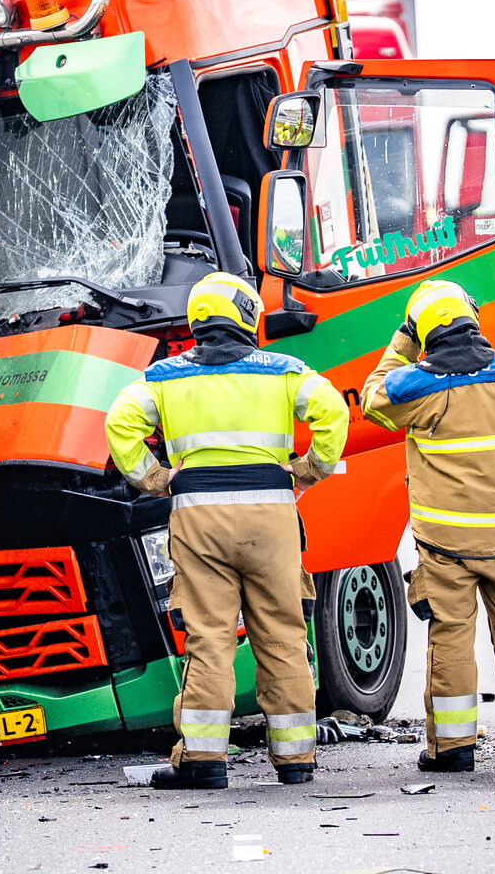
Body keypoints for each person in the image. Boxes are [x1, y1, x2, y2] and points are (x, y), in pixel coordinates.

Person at [103, 272, 348, 790]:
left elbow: (119, 421)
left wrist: (154, 478)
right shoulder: (284, 371)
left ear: (198, 320)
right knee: (283, 632)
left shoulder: (165, 377)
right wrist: (309, 468)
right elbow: (332, 409)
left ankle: (203, 760)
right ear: (247, 316)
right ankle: (296, 760)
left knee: (209, 638)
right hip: (271, 518)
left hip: (198, 518)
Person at [362, 283, 495, 772]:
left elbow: (372, 396)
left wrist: (402, 343)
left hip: (446, 544)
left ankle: (452, 748)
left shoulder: (414, 386)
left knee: (451, 636)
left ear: (423, 333)